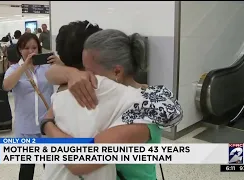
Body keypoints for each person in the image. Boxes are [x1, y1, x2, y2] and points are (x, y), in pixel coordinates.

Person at [42, 21, 183, 180]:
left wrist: (47, 125)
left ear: (117, 71)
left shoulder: (145, 109)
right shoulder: (103, 95)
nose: (83, 78)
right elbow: (52, 74)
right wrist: (70, 74)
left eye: (88, 71)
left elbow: (79, 161)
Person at [2, 33, 58, 180]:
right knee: (27, 168)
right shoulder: (14, 69)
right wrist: (24, 67)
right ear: (20, 50)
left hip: (47, 125)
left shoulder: (47, 67)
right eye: (26, 48)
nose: (31, 51)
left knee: (51, 168)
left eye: (34, 47)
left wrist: (59, 63)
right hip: (26, 127)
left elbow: (67, 78)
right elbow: (6, 86)